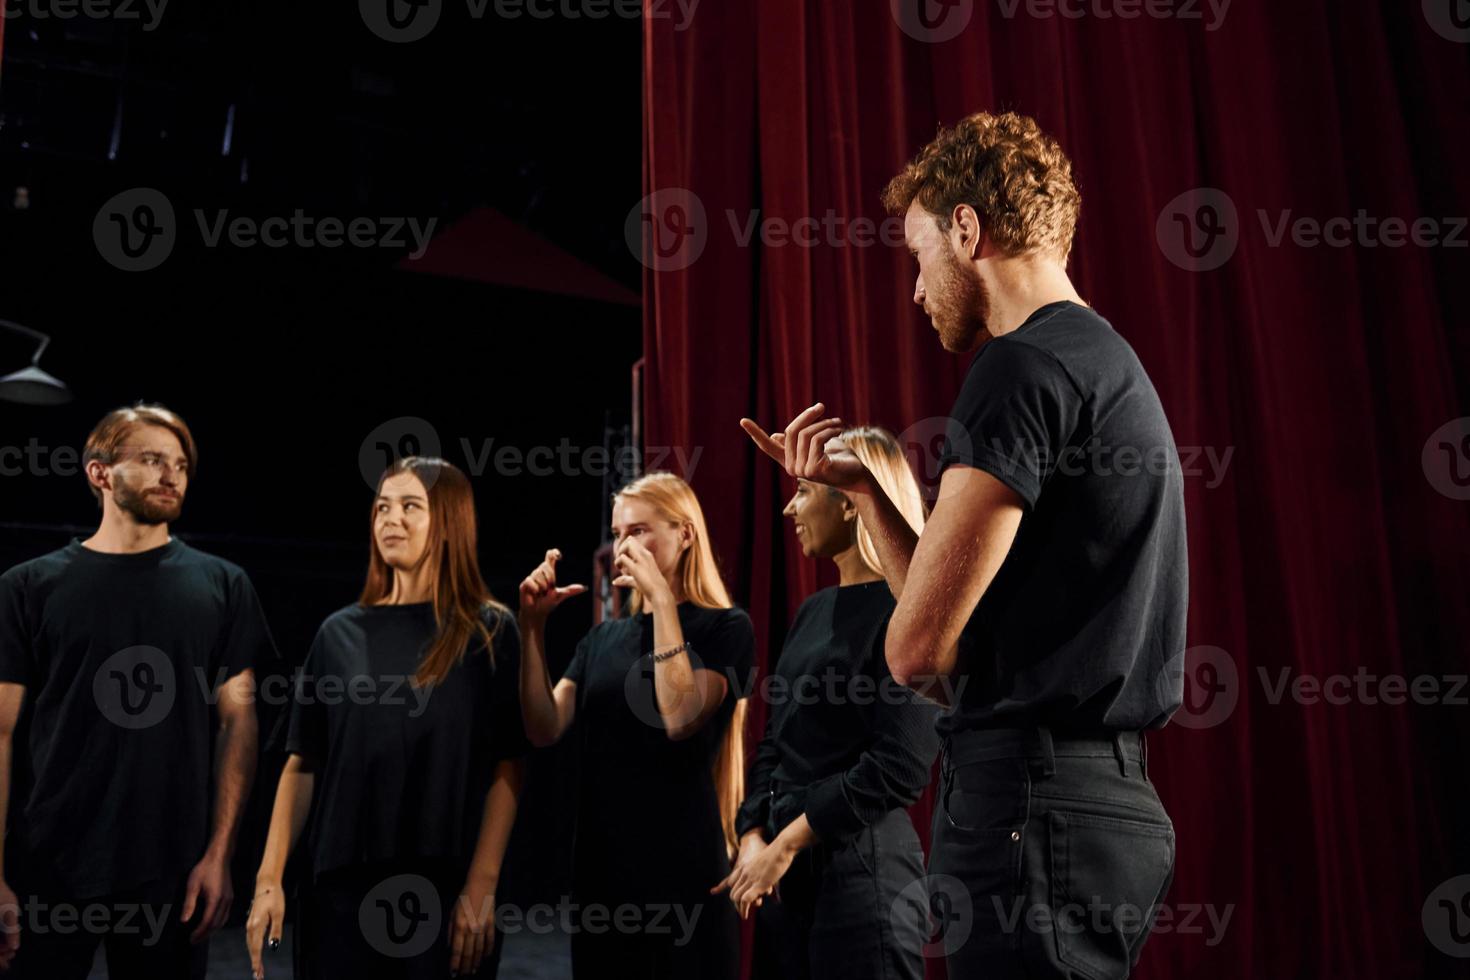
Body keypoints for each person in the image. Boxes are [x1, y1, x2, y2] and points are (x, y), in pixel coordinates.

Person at [742, 110, 1188, 979]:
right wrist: (868, 493)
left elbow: (914, 653)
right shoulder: (1108, 364)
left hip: (1028, 807)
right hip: (1107, 808)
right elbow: (961, 642)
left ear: (967, 230)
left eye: (918, 256)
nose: (915, 291)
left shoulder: (1017, 368)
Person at [0, 403, 272, 979]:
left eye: (179, 464)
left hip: (172, 873)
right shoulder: (28, 587)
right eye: (151, 459)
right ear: (99, 473)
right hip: (47, 868)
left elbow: (238, 723)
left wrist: (219, 856)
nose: (171, 474)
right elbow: (0, 732)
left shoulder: (223, 586)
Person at [244, 457, 527, 980]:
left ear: (449, 522)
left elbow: (508, 767)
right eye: (381, 508)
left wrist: (482, 887)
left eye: (409, 506)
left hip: (443, 896)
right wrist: (269, 879)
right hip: (339, 896)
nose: (389, 519)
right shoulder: (338, 634)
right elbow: (301, 764)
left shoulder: (488, 632)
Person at [713, 426, 940, 980]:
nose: (789, 508)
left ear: (849, 501)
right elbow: (775, 742)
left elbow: (899, 767)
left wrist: (783, 844)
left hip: (865, 876)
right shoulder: (813, 611)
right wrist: (751, 836)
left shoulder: (906, 611)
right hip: (785, 879)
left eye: (804, 491)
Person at [518, 470, 753, 980]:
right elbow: (543, 727)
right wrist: (532, 629)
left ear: (685, 534)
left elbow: (678, 717)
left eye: (640, 531)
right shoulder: (603, 640)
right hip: (604, 875)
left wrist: (662, 602)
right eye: (619, 532)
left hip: (683, 880)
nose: (624, 545)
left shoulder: (725, 627)